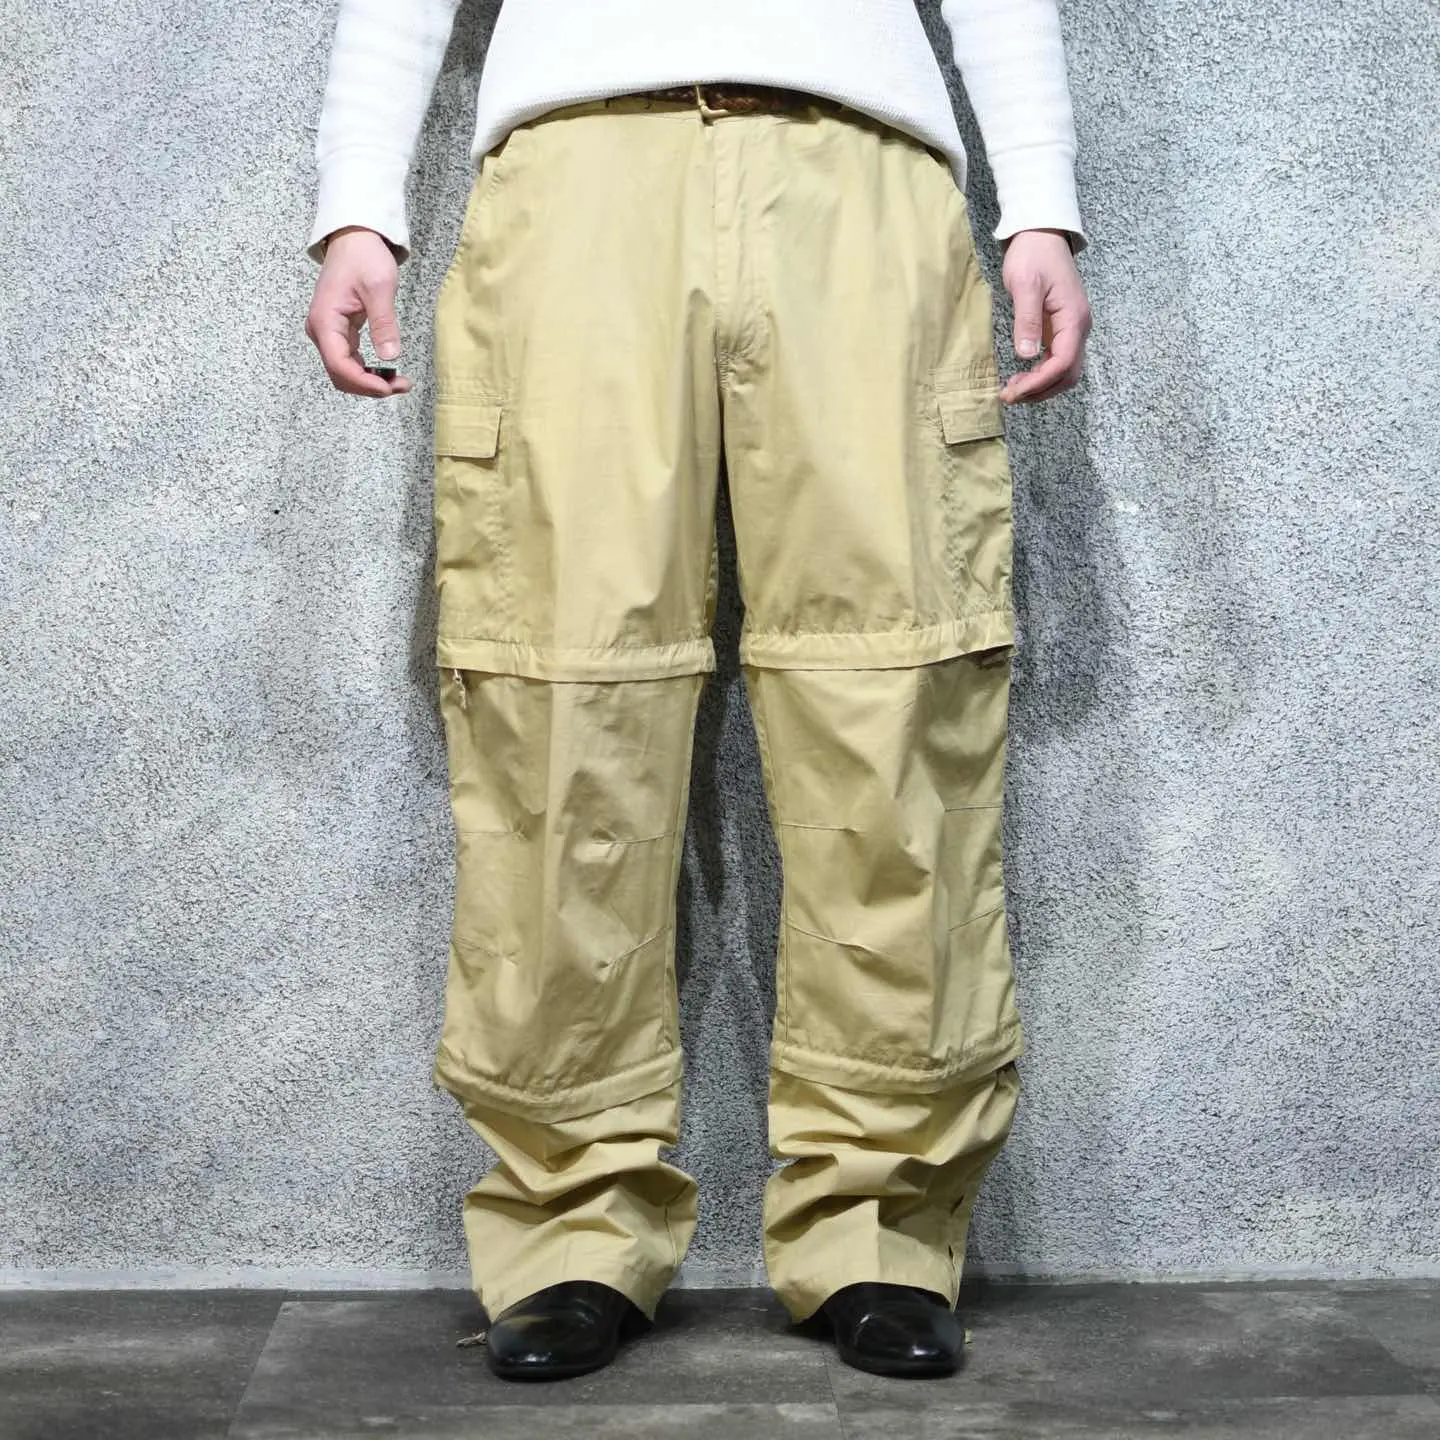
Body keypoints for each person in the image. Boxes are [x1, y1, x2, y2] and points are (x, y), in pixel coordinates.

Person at [303, 0, 1091, 1383]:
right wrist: (357, 205)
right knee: (560, 706)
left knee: (889, 700)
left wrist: (1040, 203)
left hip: (860, 178)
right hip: (577, 178)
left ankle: (881, 1228)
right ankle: (567, 1229)